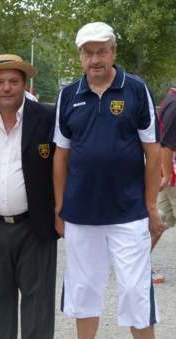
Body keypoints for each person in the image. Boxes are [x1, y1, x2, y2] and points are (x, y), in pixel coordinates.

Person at [53, 22, 164, 339]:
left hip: (128, 211)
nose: (95, 59)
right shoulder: (67, 95)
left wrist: (150, 204)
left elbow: (152, 151)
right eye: (88, 53)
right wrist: (60, 206)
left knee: (135, 291)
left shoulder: (135, 88)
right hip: (80, 213)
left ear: (113, 52)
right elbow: (61, 155)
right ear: (80, 57)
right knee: (84, 291)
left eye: (101, 51)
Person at [0, 54, 57, 339]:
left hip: (36, 226)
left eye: (13, 81)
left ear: (25, 84)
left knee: (38, 304)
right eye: (0, 82)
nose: (7, 88)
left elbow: (66, 164)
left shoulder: (47, 118)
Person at [152, 87, 176, 283]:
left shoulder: (169, 99)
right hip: (172, 176)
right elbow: (167, 144)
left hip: (167, 173)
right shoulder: (175, 104)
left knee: (159, 222)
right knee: (159, 221)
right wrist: (167, 174)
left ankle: (138, 264)